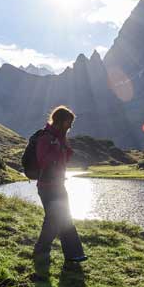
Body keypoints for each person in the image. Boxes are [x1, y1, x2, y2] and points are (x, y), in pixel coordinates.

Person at [32, 105, 87, 269]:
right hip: (47, 186)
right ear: (60, 121)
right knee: (58, 218)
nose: (70, 127)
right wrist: (58, 147)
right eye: (68, 123)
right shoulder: (45, 137)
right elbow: (44, 160)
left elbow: (64, 158)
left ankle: (47, 251)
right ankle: (70, 254)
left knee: (56, 218)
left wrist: (63, 147)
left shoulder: (59, 137)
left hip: (57, 184)